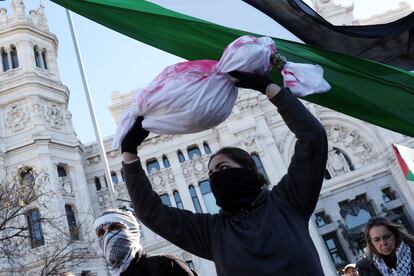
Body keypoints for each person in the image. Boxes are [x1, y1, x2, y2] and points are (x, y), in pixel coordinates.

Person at [121, 69, 328, 275]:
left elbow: (313, 137)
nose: (216, 178)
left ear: (248, 169)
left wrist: (267, 87)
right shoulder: (212, 233)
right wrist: (129, 155)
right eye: (211, 176)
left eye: (223, 168)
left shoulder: (287, 201)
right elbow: (152, 213)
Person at [93, 209, 197, 276]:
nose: (108, 236)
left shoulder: (166, 264)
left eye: (115, 228)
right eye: (101, 233)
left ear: (132, 230)